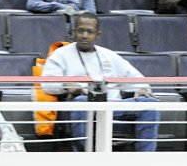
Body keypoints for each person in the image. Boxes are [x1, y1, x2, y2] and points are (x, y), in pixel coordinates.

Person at [40, 13, 160, 152]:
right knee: (81, 101)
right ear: (74, 32)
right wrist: (66, 85)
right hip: (84, 103)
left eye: (89, 32)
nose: (84, 35)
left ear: (98, 34)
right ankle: (85, 153)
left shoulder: (109, 55)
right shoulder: (61, 54)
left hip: (113, 105)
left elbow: (137, 79)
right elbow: (47, 84)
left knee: (149, 104)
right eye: (80, 31)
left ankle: (146, 157)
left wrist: (142, 89)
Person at [26, 0, 96, 14]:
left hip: (77, 26)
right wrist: (56, 6)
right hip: (53, 24)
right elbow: (32, 3)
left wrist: (77, 13)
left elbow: (92, 12)